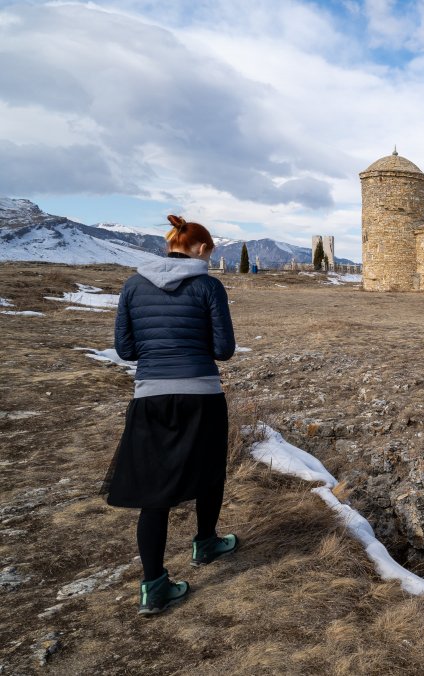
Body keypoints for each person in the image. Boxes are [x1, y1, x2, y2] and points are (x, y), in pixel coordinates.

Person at [108, 214, 238, 617]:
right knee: (209, 470)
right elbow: (224, 348)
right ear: (200, 249)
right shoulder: (207, 286)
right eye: (210, 251)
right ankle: (206, 542)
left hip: (151, 396)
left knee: (153, 489)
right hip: (201, 393)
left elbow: (125, 349)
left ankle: (154, 585)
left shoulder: (133, 285)